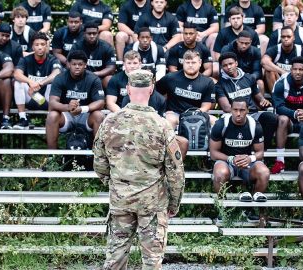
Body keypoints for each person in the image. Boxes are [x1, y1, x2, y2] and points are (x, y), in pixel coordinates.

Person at [93, 69, 185, 269]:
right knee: (152, 260)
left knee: (115, 257)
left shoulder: (110, 121)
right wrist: (174, 203)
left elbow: (99, 163)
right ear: (151, 89)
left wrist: (114, 183)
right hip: (152, 202)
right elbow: (175, 171)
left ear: (127, 90)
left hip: (121, 199)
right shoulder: (162, 126)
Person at [210, 97, 269, 202]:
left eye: (242, 110)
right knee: (219, 173)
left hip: (247, 162)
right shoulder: (221, 124)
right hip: (226, 161)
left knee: (264, 172)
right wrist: (231, 159)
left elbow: (260, 152)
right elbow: (214, 153)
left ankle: (253, 210)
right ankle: (222, 209)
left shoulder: (255, 125)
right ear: (231, 110)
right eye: (235, 110)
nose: (238, 113)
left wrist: (250, 158)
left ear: (247, 110)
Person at [46, 50, 105, 149]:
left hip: (86, 115)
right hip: (66, 115)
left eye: (80, 64)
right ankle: (52, 157)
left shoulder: (94, 79)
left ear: (85, 65)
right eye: (74, 64)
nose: (77, 66)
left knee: (99, 115)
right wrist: (67, 107)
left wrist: (83, 109)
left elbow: (100, 102)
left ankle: (97, 157)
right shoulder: (60, 78)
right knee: (52, 116)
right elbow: (52, 102)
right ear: (68, 64)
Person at [271, 56, 303, 174]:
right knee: (282, 119)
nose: (297, 72)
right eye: (295, 69)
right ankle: (280, 161)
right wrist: (294, 113)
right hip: (289, 121)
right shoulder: (281, 85)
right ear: (291, 70)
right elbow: (279, 108)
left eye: (301, 69)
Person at [216, 52, 276, 148]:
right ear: (221, 67)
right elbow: (226, 107)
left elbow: (259, 97)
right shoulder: (220, 85)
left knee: (271, 118)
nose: (229, 67)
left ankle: (262, 150)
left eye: (231, 64)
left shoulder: (248, 78)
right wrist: (243, 115)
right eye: (225, 65)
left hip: (252, 114)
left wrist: (264, 101)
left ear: (236, 63)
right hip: (235, 115)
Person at [156, 50, 215, 129]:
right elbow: (156, 94)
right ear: (183, 63)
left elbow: (206, 106)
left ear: (200, 63)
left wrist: (196, 113)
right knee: (169, 119)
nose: (190, 65)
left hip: (196, 114)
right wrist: (163, 110)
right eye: (187, 62)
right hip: (175, 114)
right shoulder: (170, 78)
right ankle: (170, 141)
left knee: (215, 121)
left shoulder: (208, 82)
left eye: (193, 62)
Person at [13, 32, 61, 129]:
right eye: (37, 45)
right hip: (31, 96)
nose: (40, 47)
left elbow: (57, 73)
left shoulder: (53, 60)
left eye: (43, 44)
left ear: (47, 46)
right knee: (18, 83)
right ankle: (23, 119)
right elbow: (16, 74)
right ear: (32, 47)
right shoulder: (25, 59)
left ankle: (50, 118)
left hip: (47, 100)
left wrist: (41, 83)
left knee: (55, 82)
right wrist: (30, 82)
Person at [262, 26, 303, 91]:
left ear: (293, 38)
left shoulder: (300, 49)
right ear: (280, 38)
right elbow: (264, 61)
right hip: (280, 80)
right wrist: (282, 72)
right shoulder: (275, 49)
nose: (286, 39)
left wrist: (298, 72)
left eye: (288, 36)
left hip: (298, 79)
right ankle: (276, 98)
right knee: (269, 71)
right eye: (283, 37)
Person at [69, 23, 116, 89]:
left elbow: (111, 67)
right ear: (84, 34)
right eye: (89, 33)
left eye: (94, 33)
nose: (92, 36)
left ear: (98, 34)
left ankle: (108, 98)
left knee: (110, 80)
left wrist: (95, 74)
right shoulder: (77, 46)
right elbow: (69, 64)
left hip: (101, 77)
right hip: (81, 76)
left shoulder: (106, 47)